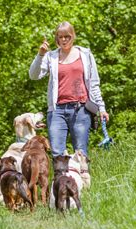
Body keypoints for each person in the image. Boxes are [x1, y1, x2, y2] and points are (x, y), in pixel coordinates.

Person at [29, 21, 109, 158]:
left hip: (81, 110)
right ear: (56, 38)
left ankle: (82, 179)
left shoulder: (85, 54)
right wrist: (40, 55)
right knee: (57, 153)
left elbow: (94, 84)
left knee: (81, 152)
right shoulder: (51, 57)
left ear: (73, 36)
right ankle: (61, 179)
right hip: (56, 111)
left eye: (67, 36)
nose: (64, 40)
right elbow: (34, 75)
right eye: (60, 37)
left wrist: (101, 108)